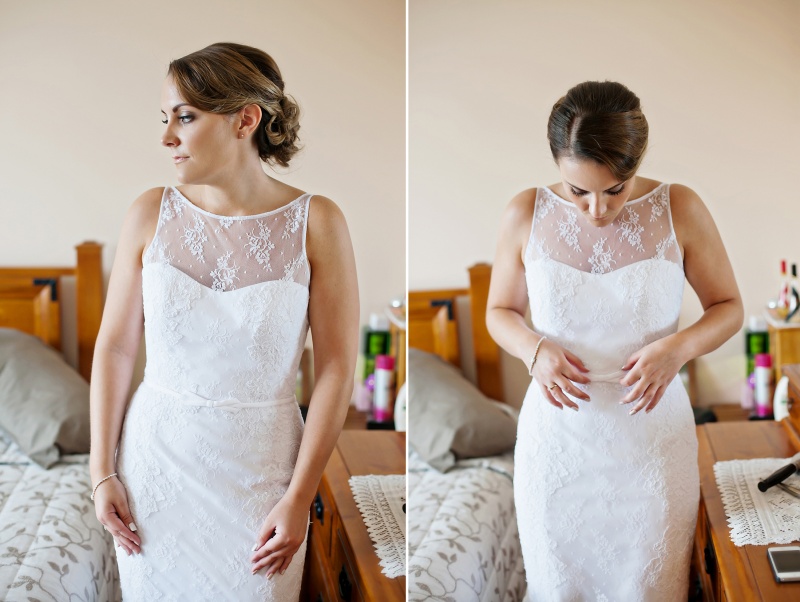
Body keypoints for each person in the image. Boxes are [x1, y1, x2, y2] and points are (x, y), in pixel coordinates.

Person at [88, 42, 359, 601]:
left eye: (185, 118)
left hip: (261, 479)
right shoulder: (149, 213)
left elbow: (335, 368)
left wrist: (298, 496)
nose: (167, 138)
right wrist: (102, 470)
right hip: (155, 471)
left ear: (246, 119)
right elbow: (115, 348)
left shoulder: (318, 222)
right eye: (165, 119)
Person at [486, 81, 743, 600]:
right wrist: (533, 349)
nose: (596, 209)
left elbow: (729, 308)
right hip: (558, 447)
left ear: (636, 163)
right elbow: (500, 312)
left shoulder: (681, 208)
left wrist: (678, 348)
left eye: (614, 189)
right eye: (578, 191)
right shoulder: (524, 213)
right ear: (558, 163)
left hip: (652, 446)